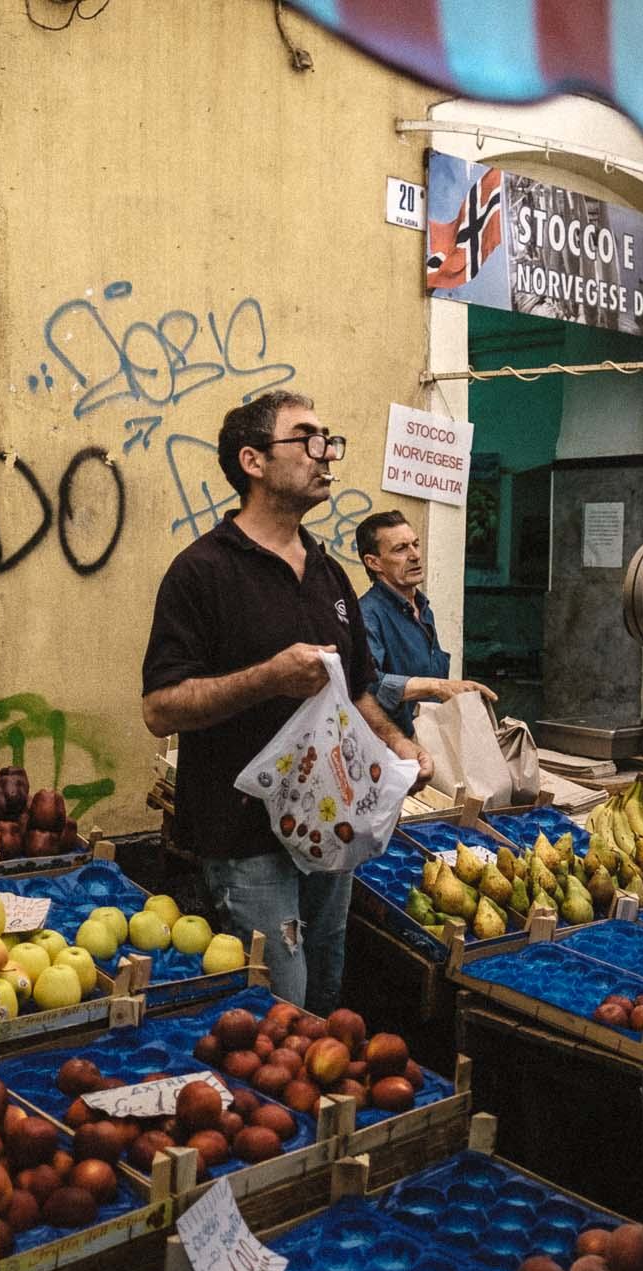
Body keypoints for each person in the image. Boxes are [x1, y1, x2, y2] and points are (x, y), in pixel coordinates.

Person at [141, 391, 432, 1013]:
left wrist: (401, 747)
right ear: (253, 460)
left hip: (332, 831)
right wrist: (268, 677)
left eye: (328, 439)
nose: (324, 454)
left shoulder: (329, 576)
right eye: (305, 439)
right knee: (281, 1010)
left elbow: (357, 689)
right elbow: (160, 708)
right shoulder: (203, 572)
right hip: (245, 841)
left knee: (324, 994)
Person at [354, 510, 498, 736]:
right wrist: (438, 686)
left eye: (415, 545)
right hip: (392, 751)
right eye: (400, 549)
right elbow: (367, 683)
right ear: (374, 563)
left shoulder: (422, 609)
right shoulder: (367, 614)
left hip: (433, 744)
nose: (414, 555)